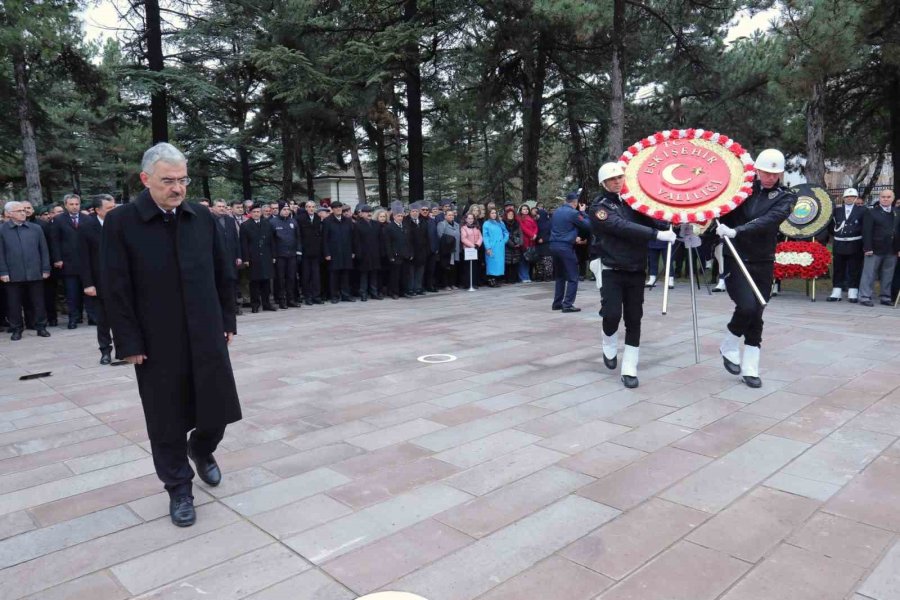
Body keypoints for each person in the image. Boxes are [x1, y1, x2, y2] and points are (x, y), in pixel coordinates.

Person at [103, 142, 240, 527]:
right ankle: (179, 488)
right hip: (156, 340)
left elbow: (222, 272)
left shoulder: (201, 217)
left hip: (206, 330)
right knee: (166, 419)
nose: (177, 188)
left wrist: (227, 320)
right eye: (168, 181)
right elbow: (116, 286)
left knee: (218, 409)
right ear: (146, 180)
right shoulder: (122, 222)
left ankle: (202, 448)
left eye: (183, 180)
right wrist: (128, 342)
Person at [717, 148, 797, 388]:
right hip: (737, 257)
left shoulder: (786, 196)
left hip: (762, 260)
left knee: (758, 313)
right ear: (757, 170)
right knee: (746, 306)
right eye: (766, 172)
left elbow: (769, 220)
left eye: (775, 174)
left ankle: (750, 368)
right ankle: (730, 343)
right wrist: (714, 224)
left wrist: (737, 230)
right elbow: (722, 208)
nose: (770, 178)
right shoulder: (741, 188)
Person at [591, 163, 674, 388]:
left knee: (634, 318)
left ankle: (630, 367)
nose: (617, 181)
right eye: (612, 179)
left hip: (636, 268)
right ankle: (608, 340)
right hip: (612, 269)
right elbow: (620, 226)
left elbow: (655, 219)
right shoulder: (600, 207)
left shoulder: (635, 203)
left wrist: (674, 220)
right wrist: (657, 234)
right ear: (604, 183)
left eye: (620, 177)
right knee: (611, 315)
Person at [0, 201, 51, 340]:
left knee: (39, 302)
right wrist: (3, 272)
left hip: (35, 272)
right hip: (12, 274)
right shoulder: (2, 230)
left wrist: (46, 268)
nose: (23, 212)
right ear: (9, 214)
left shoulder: (35, 229)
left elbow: (44, 250)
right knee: (14, 304)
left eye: (24, 210)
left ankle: (41, 327)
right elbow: (1, 254)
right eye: (19, 211)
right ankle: (17, 329)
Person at [79, 195, 118, 363]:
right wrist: (88, 284)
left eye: (114, 207)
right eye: (109, 209)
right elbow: (83, 258)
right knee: (103, 319)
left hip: (121, 280)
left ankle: (125, 348)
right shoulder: (86, 228)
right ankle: (105, 350)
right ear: (97, 210)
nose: (113, 211)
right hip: (100, 282)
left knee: (123, 317)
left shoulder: (121, 224)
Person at [51, 193, 88, 328]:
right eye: (71, 204)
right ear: (66, 205)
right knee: (72, 293)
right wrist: (58, 259)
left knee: (88, 291)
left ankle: (92, 317)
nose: (74, 207)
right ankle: (73, 319)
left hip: (85, 263)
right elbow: (55, 241)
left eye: (77, 204)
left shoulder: (86, 218)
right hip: (68, 263)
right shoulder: (59, 220)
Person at [549, 191, 591, 311]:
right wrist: (583, 212)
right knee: (573, 276)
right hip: (565, 247)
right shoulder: (573, 213)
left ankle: (557, 303)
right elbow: (587, 225)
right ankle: (567, 304)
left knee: (560, 276)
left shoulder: (556, 212)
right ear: (575, 203)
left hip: (553, 245)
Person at [858, 189, 899, 306]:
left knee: (888, 274)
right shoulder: (871, 212)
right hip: (874, 248)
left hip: (891, 249)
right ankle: (865, 296)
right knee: (869, 273)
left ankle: (885, 297)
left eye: (888, 197)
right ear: (879, 198)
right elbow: (866, 231)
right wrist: (867, 248)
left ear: (893, 198)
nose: (885, 199)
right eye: (883, 197)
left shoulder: (897, 212)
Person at [827, 188, 866, 303]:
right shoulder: (836, 211)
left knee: (854, 268)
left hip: (855, 242)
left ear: (855, 198)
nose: (849, 198)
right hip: (839, 242)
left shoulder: (862, 211)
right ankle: (836, 291)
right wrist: (836, 234)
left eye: (852, 197)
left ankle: (853, 291)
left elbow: (865, 227)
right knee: (838, 267)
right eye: (847, 197)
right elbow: (831, 225)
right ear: (843, 198)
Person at [240, 203, 278, 312]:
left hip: (266, 256)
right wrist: (246, 259)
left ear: (261, 213)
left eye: (258, 212)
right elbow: (244, 244)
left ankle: (267, 304)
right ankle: (255, 305)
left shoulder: (267, 224)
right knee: (254, 282)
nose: (256, 214)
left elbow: (272, 241)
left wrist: (273, 255)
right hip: (253, 257)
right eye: (254, 212)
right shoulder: (245, 225)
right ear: (250, 213)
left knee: (266, 282)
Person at [323, 201, 355, 303]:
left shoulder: (347, 221)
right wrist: (327, 253)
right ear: (332, 209)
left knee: (346, 274)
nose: (338, 209)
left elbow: (352, 237)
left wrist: (353, 251)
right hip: (334, 252)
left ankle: (346, 295)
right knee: (334, 275)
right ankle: (334, 296)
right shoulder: (327, 221)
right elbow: (324, 239)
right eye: (336, 208)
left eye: (340, 207)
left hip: (346, 251)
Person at [271, 202, 301, 308]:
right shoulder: (273, 222)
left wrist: (298, 252)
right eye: (284, 209)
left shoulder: (293, 221)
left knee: (291, 278)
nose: (286, 211)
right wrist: (273, 256)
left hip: (292, 255)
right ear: (279, 210)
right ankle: (281, 300)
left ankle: (291, 299)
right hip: (280, 256)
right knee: (280, 279)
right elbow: (272, 241)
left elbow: (298, 238)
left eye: (288, 209)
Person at [353, 204, 383, 300]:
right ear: (361, 214)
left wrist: (380, 252)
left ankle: (374, 292)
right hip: (364, 254)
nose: (369, 213)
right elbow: (356, 241)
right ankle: (363, 293)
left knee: (374, 273)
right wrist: (358, 254)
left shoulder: (376, 224)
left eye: (370, 212)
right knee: (364, 275)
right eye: (366, 212)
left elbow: (380, 239)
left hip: (375, 253)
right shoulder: (357, 225)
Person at [384, 201, 414, 298]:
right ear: (394, 216)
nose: (400, 218)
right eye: (398, 216)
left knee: (404, 275)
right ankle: (394, 292)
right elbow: (388, 243)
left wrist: (411, 253)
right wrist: (390, 256)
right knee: (395, 276)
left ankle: (403, 291)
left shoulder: (405, 226)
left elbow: (410, 241)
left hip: (405, 254)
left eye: (401, 216)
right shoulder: (389, 227)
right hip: (395, 255)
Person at [298, 202, 325, 305]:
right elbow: (299, 235)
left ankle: (316, 296)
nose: (311, 209)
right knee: (306, 275)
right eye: (309, 207)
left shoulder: (318, 218)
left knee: (316, 275)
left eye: (313, 207)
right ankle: (308, 296)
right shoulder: (300, 218)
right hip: (305, 251)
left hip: (316, 251)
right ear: (305, 208)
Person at [405, 202, 430, 295]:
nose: (415, 213)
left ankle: (418, 288)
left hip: (422, 251)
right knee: (411, 272)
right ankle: (410, 289)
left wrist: (427, 249)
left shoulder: (423, 221)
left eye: (416, 211)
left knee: (420, 271)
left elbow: (427, 236)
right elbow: (406, 239)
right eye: (413, 211)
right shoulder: (406, 221)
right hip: (412, 251)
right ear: (409, 212)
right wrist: (409, 252)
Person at [482, 208, 508, 287]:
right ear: (489, 214)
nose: (494, 214)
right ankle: (491, 280)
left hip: (500, 247)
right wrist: (488, 247)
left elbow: (506, 232)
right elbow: (485, 236)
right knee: (491, 263)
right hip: (491, 246)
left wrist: (504, 241)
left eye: (495, 213)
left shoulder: (500, 222)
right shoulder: (486, 224)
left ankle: (498, 279)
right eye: (492, 213)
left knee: (499, 263)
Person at [436, 209, 461, 288]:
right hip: (446, 250)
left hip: (456, 249)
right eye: (449, 215)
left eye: (452, 215)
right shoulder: (441, 224)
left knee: (454, 268)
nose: (451, 216)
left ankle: (452, 284)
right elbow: (440, 236)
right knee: (446, 267)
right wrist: (450, 239)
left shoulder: (457, 225)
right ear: (445, 216)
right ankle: (446, 284)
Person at [460, 212, 483, 289]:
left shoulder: (476, 227)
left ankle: (474, 283)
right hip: (467, 250)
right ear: (466, 219)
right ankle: (467, 283)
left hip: (475, 249)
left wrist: (477, 244)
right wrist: (472, 245)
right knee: (467, 267)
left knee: (474, 267)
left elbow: (480, 237)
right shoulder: (463, 228)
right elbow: (463, 238)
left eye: (472, 218)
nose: (470, 220)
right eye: (469, 218)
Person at [518, 204, 537, 283]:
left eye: (526, 209)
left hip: (532, 241)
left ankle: (527, 276)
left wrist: (535, 234)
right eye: (523, 209)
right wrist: (532, 235)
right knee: (523, 259)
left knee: (529, 258)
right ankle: (523, 277)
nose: (525, 210)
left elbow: (536, 227)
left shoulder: (531, 218)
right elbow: (523, 228)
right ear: (521, 210)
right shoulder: (519, 218)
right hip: (525, 240)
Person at [503, 207, 522, 283]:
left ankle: (514, 279)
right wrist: (511, 244)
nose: (511, 215)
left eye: (512, 214)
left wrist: (520, 243)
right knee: (507, 263)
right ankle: (507, 279)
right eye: (509, 214)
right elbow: (504, 235)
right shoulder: (503, 223)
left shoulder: (517, 223)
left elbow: (521, 234)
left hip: (516, 245)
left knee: (515, 262)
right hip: (507, 245)